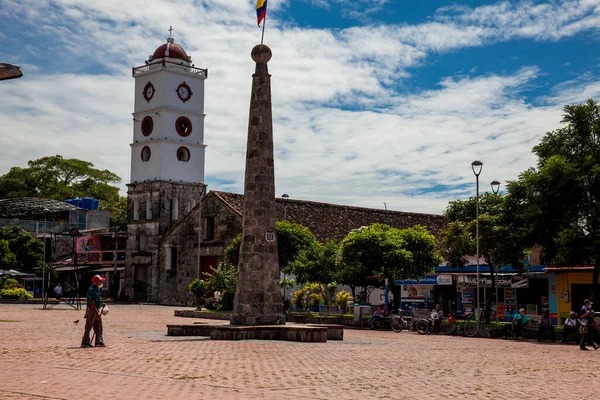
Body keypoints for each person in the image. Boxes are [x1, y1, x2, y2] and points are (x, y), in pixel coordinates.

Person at [81, 275, 106, 348]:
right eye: (100, 281)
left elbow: (97, 299)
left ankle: (99, 341)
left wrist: (102, 304)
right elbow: (91, 302)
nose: (101, 282)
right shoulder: (92, 289)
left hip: (97, 309)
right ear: (96, 282)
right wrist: (96, 312)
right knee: (89, 326)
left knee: (99, 326)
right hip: (92, 310)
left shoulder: (97, 288)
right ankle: (85, 342)